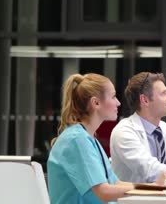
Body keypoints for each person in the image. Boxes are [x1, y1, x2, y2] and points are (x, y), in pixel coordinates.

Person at [48, 73, 137, 204]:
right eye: (113, 97)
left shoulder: (88, 138)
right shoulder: (77, 139)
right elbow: (104, 192)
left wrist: (154, 187)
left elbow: (115, 183)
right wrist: (152, 189)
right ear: (96, 103)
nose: (118, 103)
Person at [110, 72, 166, 183]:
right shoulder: (124, 131)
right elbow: (149, 169)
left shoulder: (164, 128)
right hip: (130, 199)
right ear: (145, 100)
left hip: (161, 197)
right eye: (163, 93)